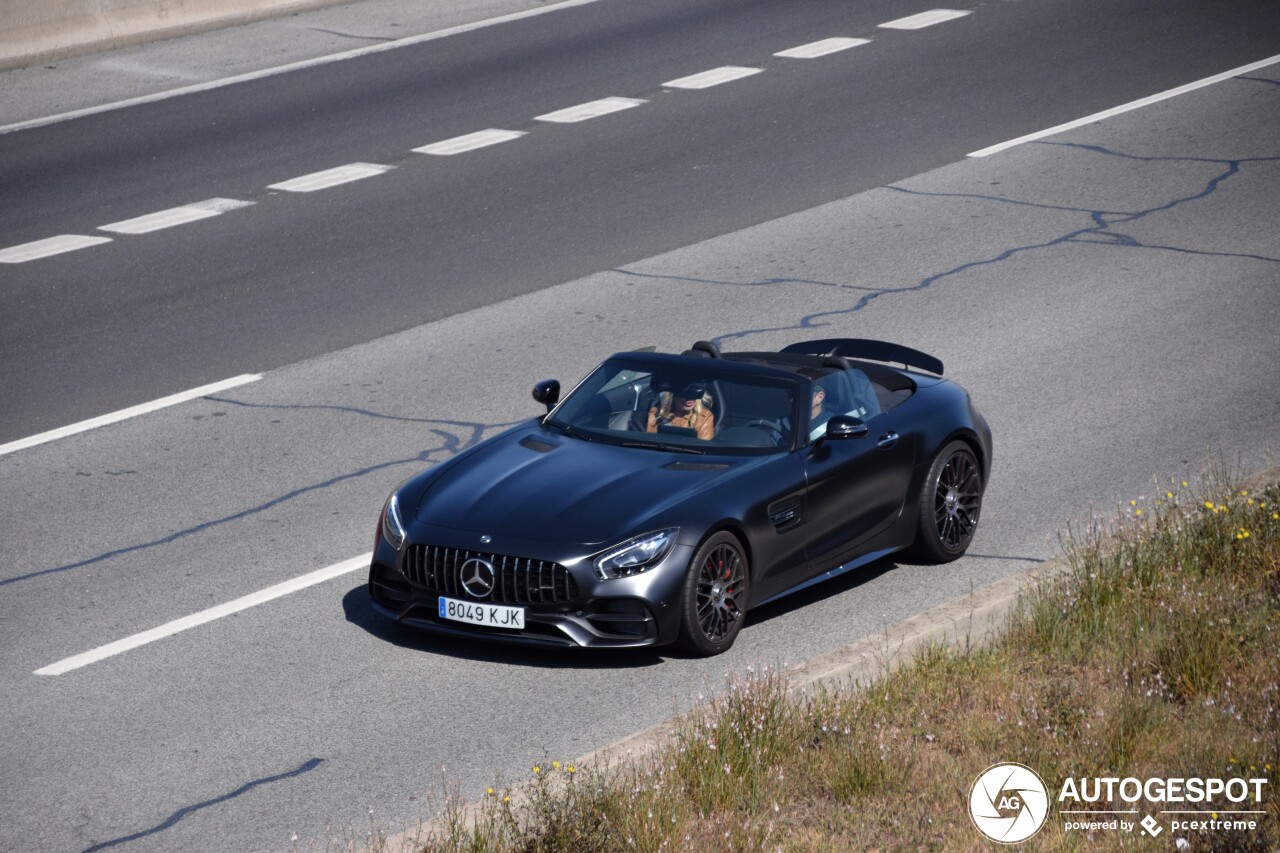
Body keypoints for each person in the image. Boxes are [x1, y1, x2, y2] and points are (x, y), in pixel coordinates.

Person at [647, 382, 715, 440]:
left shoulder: (703, 417)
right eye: (684, 392)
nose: (689, 397)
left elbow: (702, 449)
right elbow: (650, 443)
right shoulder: (656, 414)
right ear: (673, 394)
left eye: (694, 392)